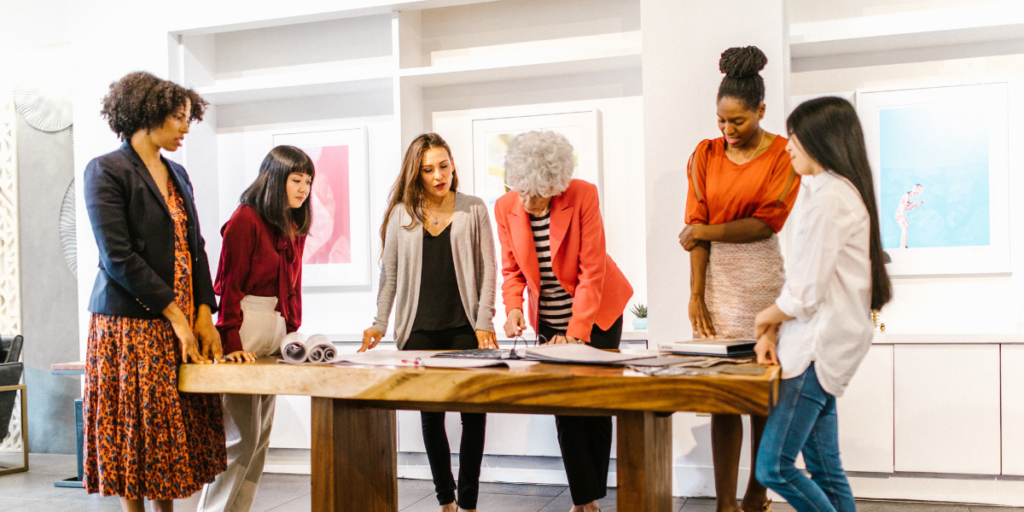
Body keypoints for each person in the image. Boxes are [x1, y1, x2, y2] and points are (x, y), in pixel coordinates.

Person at [83, 71, 226, 512]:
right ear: (149, 113)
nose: (186, 127)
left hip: (178, 320)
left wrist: (203, 311)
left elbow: (195, 246)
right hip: (130, 324)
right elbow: (118, 257)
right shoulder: (105, 170)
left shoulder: (178, 173)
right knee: (137, 429)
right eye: (179, 117)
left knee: (169, 430)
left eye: (188, 118)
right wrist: (177, 316)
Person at [753, 96, 893, 512]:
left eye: (793, 137)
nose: (787, 146)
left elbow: (805, 292)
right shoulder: (835, 192)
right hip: (822, 348)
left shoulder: (831, 196)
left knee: (774, 468)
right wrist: (774, 326)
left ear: (818, 140)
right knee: (824, 468)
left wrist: (765, 318)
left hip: (816, 351)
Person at [677, 46, 799, 512]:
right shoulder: (705, 155)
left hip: (763, 278)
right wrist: (695, 295)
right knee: (722, 394)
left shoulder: (783, 155)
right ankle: (725, 503)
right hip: (716, 285)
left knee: (762, 391)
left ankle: (756, 493)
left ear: (761, 112)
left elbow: (767, 224)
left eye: (738, 123)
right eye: (721, 122)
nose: (727, 132)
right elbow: (695, 231)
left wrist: (704, 230)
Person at [494, 130, 633, 512]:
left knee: (595, 405)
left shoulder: (583, 195)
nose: (527, 201)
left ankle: (592, 493)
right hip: (549, 318)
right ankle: (584, 500)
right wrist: (513, 309)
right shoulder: (505, 206)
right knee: (563, 405)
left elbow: (591, 272)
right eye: (520, 190)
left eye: (537, 193)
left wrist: (576, 335)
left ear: (556, 186)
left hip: (599, 313)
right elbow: (512, 271)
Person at [360, 133, 497, 512]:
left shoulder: (474, 209)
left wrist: (485, 319)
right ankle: (446, 501)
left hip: (465, 328)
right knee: (431, 417)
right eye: (429, 169)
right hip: (417, 331)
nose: (439, 175)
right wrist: (378, 324)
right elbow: (389, 277)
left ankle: (468, 502)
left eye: (444, 166)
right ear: (416, 174)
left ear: (453, 164)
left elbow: (488, 270)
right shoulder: (402, 215)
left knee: (474, 416)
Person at [197, 146, 313, 512]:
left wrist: (292, 336)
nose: (304, 188)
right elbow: (229, 286)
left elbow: (292, 288)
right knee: (240, 442)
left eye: (308, 181)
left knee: (259, 445)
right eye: (297, 180)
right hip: (242, 332)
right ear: (276, 178)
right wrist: (230, 342)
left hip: (274, 335)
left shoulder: (292, 224)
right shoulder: (245, 219)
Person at [896, 184, 924, 248]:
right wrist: (916, 203)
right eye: (919, 190)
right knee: (905, 228)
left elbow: (906, 207)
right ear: (915, 188)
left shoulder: (910, 197)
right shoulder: (906, 195)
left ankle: (904, 245)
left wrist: (912, 207)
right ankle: (903, 245)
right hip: (900, 214)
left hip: (903, 213)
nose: (919, 192)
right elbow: (906, 204)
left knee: (906, 229)